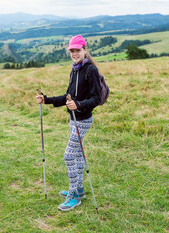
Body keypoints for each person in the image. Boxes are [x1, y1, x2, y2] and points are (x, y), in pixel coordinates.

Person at [35, 35, 101, 212]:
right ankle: (78, 189)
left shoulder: (90, 70)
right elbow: (68, 97)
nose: (74, 53)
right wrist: (46, 100)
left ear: (85, 50)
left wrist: (79, 105)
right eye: (72, 51)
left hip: (83, 120)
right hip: (73, 119)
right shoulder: (75, 69)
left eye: (77, 50)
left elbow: (96, 98)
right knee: (77, 155)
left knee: (69, 155)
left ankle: (74, 196)